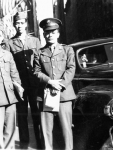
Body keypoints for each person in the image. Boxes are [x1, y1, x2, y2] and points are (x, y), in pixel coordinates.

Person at [34, 18, 76, 150]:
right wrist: (50, 81)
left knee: (66, 128)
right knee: (46, 130)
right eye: (47, 32)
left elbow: (71, 68)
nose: (50, 35)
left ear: (58, 34)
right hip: (46, 94)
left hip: (64, 94)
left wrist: (61, 84)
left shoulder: (67, 50)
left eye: (53, 32)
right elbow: (36, 71)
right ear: (44, 34)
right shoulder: (39, 52)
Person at [7, 11, 42, 149]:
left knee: (36, 113)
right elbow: (10, 64)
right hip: (19, 84)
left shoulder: (35, 41)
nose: (19, 26)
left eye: (22, 23)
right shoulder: (10, 43)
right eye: (17, 23)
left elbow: (39, 61)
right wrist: (15, 83)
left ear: (26, 24)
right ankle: (24, 144)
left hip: (34, 83)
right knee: (21, 116)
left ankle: (40, 143)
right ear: (14, 25)